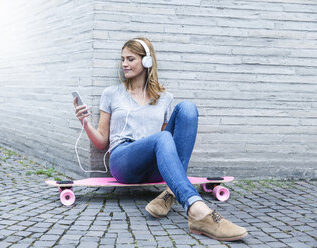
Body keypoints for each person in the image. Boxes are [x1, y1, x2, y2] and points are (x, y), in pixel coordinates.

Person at [73, 37, 248, 241]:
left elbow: (167, 146)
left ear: (147, 61)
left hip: (157, 165)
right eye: (122, 59)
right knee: (163, 137)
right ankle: (197, 210)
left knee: (188, 109)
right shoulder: (111, 93)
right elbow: (102, 141)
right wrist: (84, 122)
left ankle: (169, 193)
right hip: (124, 161)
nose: (124, 64)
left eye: (130, 59)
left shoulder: (165, 98)